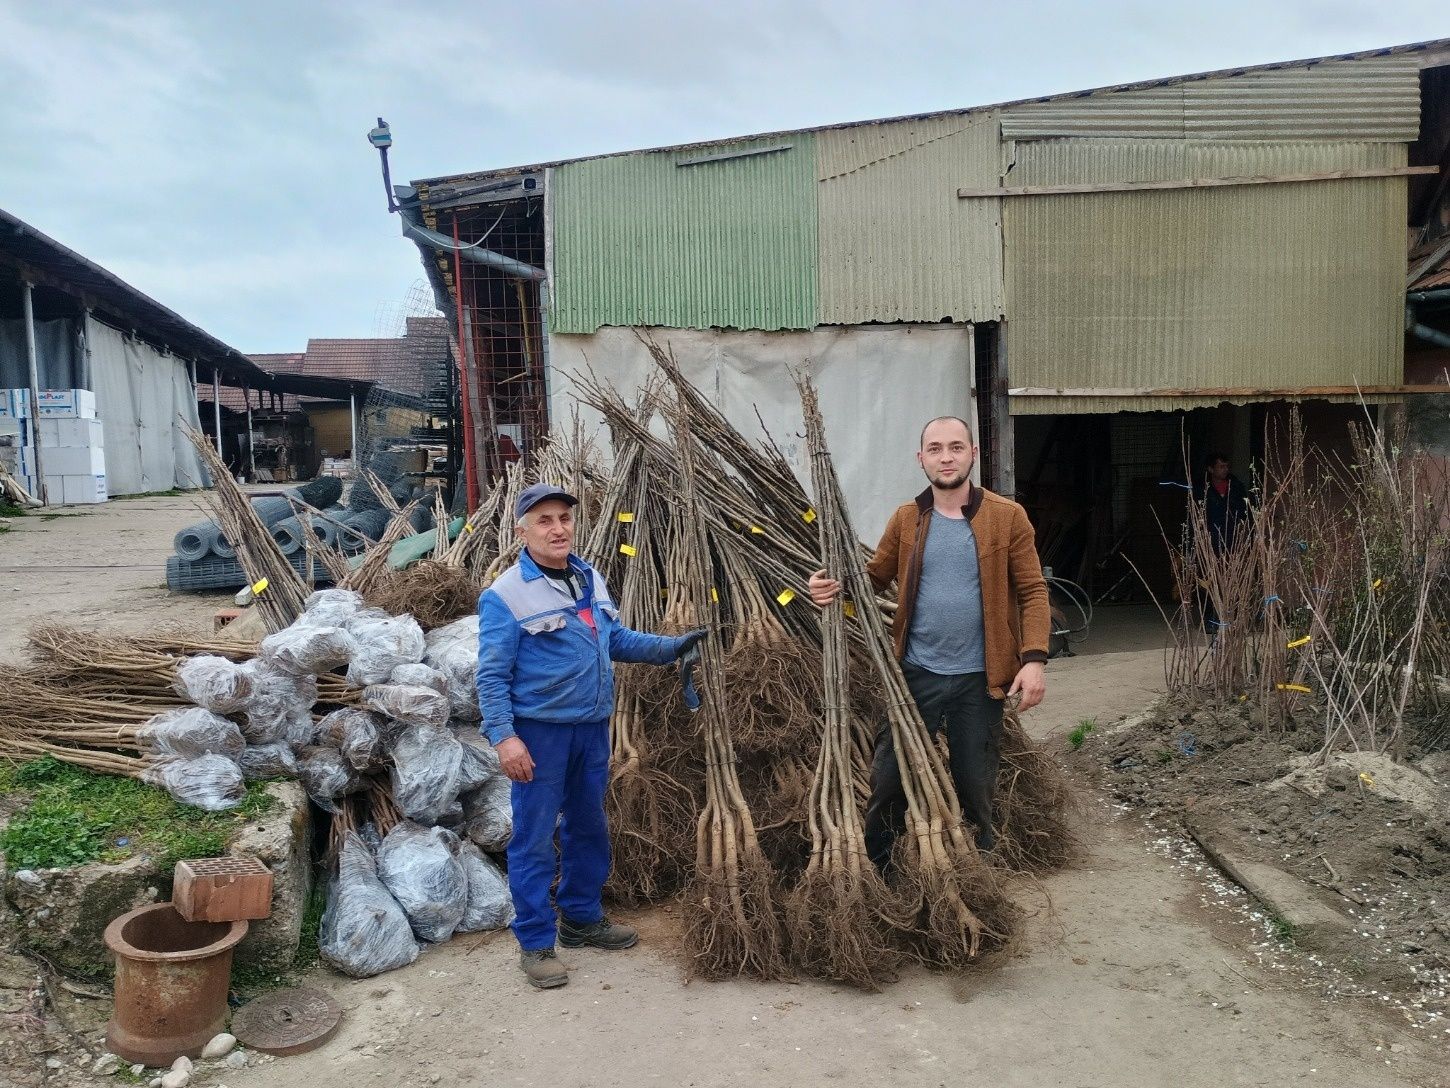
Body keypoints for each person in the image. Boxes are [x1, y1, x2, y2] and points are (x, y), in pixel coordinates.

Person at [476, 483, 706, 989]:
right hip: (540, 734)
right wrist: (504, 737)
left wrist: (669, 648)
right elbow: (490, 676)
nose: (558, 528)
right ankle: (536, 943)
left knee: (588, 826)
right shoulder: (505, 594)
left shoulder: (588, 578)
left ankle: (580, 918)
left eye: (564, 518)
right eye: (544, 521)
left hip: (591, 728)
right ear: (522, 531)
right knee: (534, 839)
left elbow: (613, 639)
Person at [807, 416, 1050, 867]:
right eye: (935, 449)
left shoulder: (1006, 517)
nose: (946, 457)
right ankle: (882, 873)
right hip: (916, 674)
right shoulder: (906, 519)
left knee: (975, 784)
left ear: (973, 454)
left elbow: (1034, 590)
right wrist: (829, 589)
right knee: (889, 781)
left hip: (980, 678)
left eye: (956, 447)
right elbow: (873, 579)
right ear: (921, 459)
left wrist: (1034, 660)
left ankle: (975, 874)